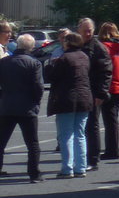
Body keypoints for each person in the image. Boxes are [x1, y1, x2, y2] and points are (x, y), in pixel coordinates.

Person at [44, 32, 91, 178]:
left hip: (67, 99)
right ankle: (81, 167)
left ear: (68, 42)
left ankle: (67, 168)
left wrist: (49, 66)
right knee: (80, 134)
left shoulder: (64, 58)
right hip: (84, 97)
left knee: (66, 134)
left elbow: (53, 77)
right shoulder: (84, 56)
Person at [0, 33, 45, 182]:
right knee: (32, 144)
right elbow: (38, 86)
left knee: (1, 141)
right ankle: (34, 174)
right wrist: (36, 102)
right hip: (28, 107)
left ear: (18, 45)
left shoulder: (4, 62)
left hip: (7, 106)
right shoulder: (34, 63)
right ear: (31, 47)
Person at [77, 18, 112, 172]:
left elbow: (106, 72)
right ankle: (80, 158)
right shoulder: (76, 45)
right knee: (79, 127)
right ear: (78, 30)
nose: (88, 33)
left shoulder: (98, 48)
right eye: (85, 30)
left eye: (90, 30)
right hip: (79, 91)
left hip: (93, 92)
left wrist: (101, 94)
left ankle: (93, 159)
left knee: (92, 125)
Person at [98, 22, 119, 159]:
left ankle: (112, 150)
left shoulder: (103, 48)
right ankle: (112, 149)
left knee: (109, 121)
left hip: (108, 86)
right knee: (113, 119)